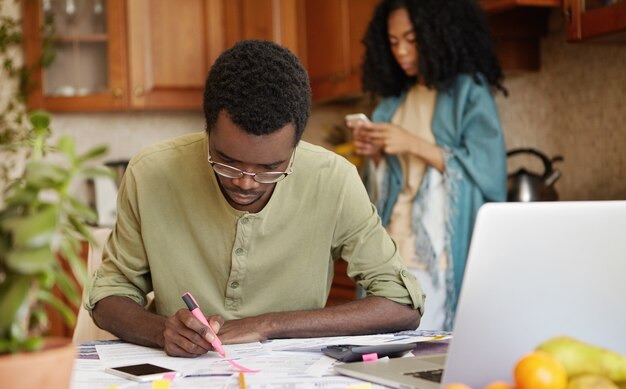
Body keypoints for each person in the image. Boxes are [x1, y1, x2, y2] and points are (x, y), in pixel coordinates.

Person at [85, 40, 425, 358]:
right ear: (207, 130)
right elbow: (108, 297)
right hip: (178, 377)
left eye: (271, 168)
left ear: (295, 146)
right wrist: (163, 332)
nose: (246, 183)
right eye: (227, 161)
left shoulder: (333, 179)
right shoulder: (150, 173)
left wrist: (268, 325)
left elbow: (403, 306)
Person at [349, 0, 507, 331]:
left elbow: (489, 171)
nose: (402, 52)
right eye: (393, 43)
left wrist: (411, 144)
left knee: (428, 352)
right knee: (385, 352)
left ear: (438, 36)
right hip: (391, 250)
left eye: (412, 39)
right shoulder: (393, 103)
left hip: (439, 257)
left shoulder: (468, 92)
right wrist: (375, 155)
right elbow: (385, 185)